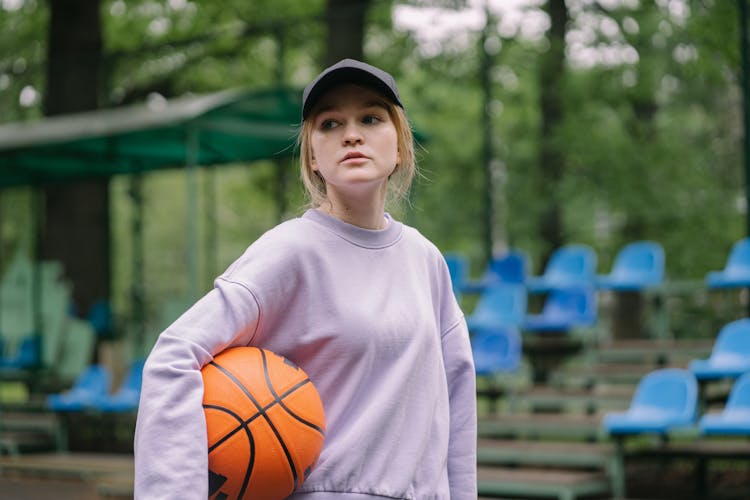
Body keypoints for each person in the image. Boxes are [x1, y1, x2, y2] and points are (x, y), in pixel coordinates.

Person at [134, 58, 477, 499]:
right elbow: (174, 356)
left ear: (400, 146)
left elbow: (456, 397)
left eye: (371, 118)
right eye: (330, 123)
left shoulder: (425, 260)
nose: (352, 134)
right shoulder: (291, 251)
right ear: (313, 156)